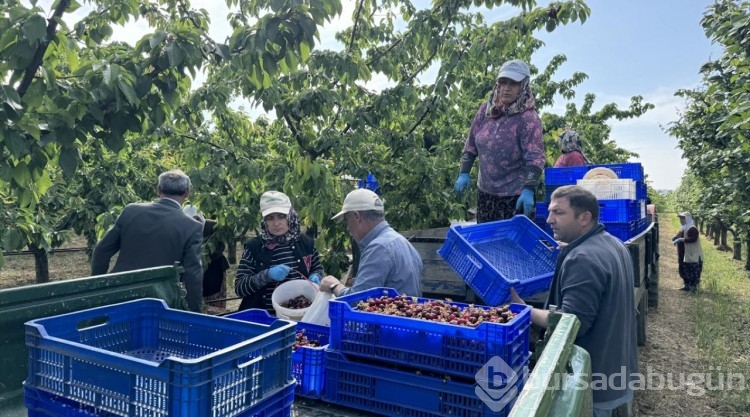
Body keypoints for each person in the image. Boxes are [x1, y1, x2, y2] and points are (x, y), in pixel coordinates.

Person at [511, 185, 637, 417]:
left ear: (584, 217)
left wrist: (523, 310)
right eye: (550, 212)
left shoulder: (583, 259)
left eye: (559, 213)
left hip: (592, 381)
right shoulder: (614, 245)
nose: (549, 219)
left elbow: (570, 324)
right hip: (618, 371)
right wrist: (570, 250)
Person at [91, 169, 204, 312]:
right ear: (187, 193)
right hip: (159, 300)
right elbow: (193, 274)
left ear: (158, 189)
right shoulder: (192, 227)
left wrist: (97, 285)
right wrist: (195, 313)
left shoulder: (131, 211)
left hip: (119, 293)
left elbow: (101, 251)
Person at [453, 59, 545, 223]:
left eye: (513, 83)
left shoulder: (528, 119)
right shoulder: (486, 109)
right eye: (503, 82)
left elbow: (535, 157)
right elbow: (472, 142)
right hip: (485, 194)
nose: (506, 88)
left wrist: (529, 189)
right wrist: (464, 172)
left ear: (523, 86)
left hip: (514, 197)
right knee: (485, 242)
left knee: (509, 245)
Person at [320, 189, 423, 297]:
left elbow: (357, 299)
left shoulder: (379, 248)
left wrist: (334, 285)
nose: (347, 227)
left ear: (356, 217)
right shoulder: (402, 242)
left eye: (347, 219)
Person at [234, 191, 324, 312]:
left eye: (281, 216)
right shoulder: (255, 247)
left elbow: (317, 268)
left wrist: (316, 276)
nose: (276, 223)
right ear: (264, 221)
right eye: (270, 218)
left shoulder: (306, 244)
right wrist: (266, 275)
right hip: (265, 318)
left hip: (300, 314)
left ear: (290, 216)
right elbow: (240, 288)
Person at [673, 212, 703, 293]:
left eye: (682, 218)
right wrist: (676, 237)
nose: (681, 220)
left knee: (692, 270)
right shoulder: (684, 228)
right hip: (683, 253)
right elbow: (680, 234)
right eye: (680, 218)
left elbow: (693, 239)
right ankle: (686, 285)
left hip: (691, 253)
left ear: (687, 218)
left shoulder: (692, 228)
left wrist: (681, 239)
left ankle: (693, 288)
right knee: (683, 269)